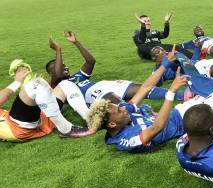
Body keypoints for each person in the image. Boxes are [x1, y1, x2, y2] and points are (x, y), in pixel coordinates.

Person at [48, 31, 182, 123]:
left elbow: (90, 61)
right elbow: (58, 74)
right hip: (92, 95)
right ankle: (145, 117)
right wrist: (58, 50)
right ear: (51, 73)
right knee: (112, 99)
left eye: (64, 65)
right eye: (59, 65)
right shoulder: (55, 86)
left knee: (140, 88)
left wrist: (76, 42)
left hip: (102, 84)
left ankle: (185, 96)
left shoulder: (77, 76)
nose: (64, 67)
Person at [1, 59, 91, 141]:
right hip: (15, 126)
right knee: (35, 85)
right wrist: (17, 82)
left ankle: (90, 119)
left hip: (39, 118)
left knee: (65, 84)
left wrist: (44, 89)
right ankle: (66, 129)